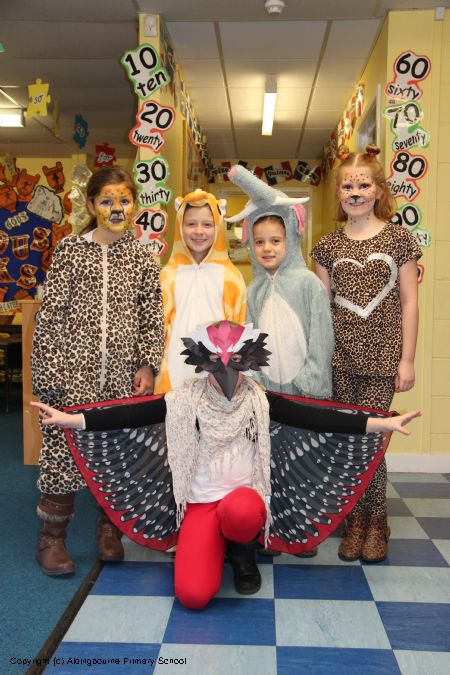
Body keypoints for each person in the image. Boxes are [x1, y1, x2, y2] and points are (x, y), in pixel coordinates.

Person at [32, 320, 419, 610]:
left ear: (246, 364)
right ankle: (213, 546)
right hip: (200, 503)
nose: (226, 373)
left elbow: (318, 417)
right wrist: (72, 419)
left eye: (234, 364)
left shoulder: (260, 400)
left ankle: (242, 553)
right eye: (217, 364)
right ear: (204, 365)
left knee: (241, 511)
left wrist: (380, 423)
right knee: (193, 595)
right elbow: (129, 414)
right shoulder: (184, 400)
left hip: (243, 501)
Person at [31, 165, 164, 576]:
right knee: (62, 453)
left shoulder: (143, 258)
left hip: (121, 378)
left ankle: (110, 529)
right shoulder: (71, 250)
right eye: (107, 201)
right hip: (73, 375)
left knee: (116, 453)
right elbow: (51, 317)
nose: (116, 208)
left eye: (124, 200)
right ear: (91, 206)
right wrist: (51, 374)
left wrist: (147, 365)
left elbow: (151, 318)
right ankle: (52, 538)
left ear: (135, 205)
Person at [311, 144, 422, 563]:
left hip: (383, 360)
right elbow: (322, 309)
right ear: (338, 193)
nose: (355, 193)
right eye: (347, 186)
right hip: (340, 360)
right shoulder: (326, 246)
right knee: (347, 442)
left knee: (372, 441)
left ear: (378, 190)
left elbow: (410, 302)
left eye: (363, 185)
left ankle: (376, 523)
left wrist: (406, 359)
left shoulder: (399, 240)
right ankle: (354, 520)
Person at [227, 164, 334, 399]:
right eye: (259, 242)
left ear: (290, 240)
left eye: (275, 241)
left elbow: (321, 337)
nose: (267, 248)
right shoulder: (253, 290)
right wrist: (255, 381)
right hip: (266, 393)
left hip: (305, 394)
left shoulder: (309, 284)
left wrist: (311, 382)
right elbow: (250, 340)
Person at [154, 189, 246, 393]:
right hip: (173, 376)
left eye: (207, 224)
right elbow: (157, 330)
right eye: (191, 224)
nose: (199, 231)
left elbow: (238, 331)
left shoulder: (232, 277)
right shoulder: (167, 276)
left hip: (218, 379)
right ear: (180, 226)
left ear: (218, 226)